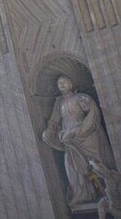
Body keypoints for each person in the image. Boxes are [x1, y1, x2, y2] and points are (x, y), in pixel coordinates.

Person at [42, 75, 115, 205]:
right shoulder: (59, 103)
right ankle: (82, 195)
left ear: (71, 84)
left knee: (98, 164)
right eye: (60, 83)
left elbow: (92, 111)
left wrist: (80, 130)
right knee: (71, 167)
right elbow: (54, 121)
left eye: (65, 81)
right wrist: (49, 132)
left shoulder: (80, 98)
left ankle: (112, 194)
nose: (62, 84)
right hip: (70, 141)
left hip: (86, 136)